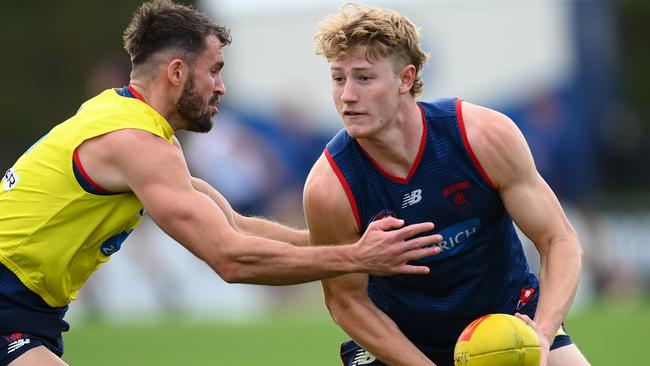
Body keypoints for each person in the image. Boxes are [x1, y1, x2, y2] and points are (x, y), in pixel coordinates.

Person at [0, 1, 446, 365]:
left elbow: (234, 225)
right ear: (177, 72)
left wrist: (360, 246)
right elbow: (231, 259)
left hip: (30, 309)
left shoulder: (132, 124)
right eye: (214, 70)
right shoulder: (135, 141)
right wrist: (356, 256)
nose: (222, 87)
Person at [303, 4, 590, 366]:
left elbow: (558, 239)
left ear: (406, 79)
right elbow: (347, 301)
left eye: (363, 78)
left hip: (508, 322)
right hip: (403, 343)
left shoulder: (483, 136)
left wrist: (543, 334)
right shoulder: (329, 188)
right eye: (338, 78)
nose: (346, 96)